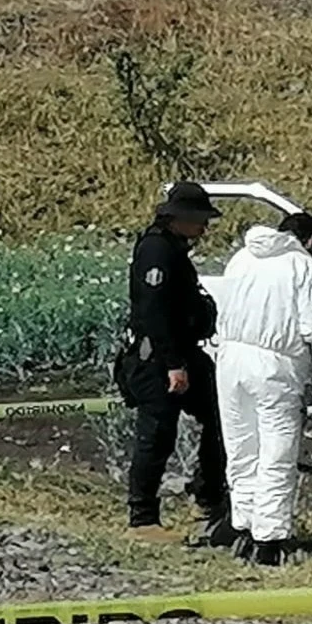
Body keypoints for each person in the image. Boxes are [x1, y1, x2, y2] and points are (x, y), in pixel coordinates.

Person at [215, 213, 312, 565]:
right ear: (311, 239)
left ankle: (243, 524)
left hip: (230, 359)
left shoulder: (241, 258)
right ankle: (268, 539)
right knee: (276, 452)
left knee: (241, 448)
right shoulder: (302, 265)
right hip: (276, 364)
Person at [116, 181, 231, 544]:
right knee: (156, 435)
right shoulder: (156, 251)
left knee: (220, 413)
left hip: (180, 352)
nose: (205, 228)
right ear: (179, 217)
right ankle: (142, 518)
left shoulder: (172, 249)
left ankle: (208, 494)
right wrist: (173, 364)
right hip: (160, 359)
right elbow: (155, 314)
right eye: (200, 220)